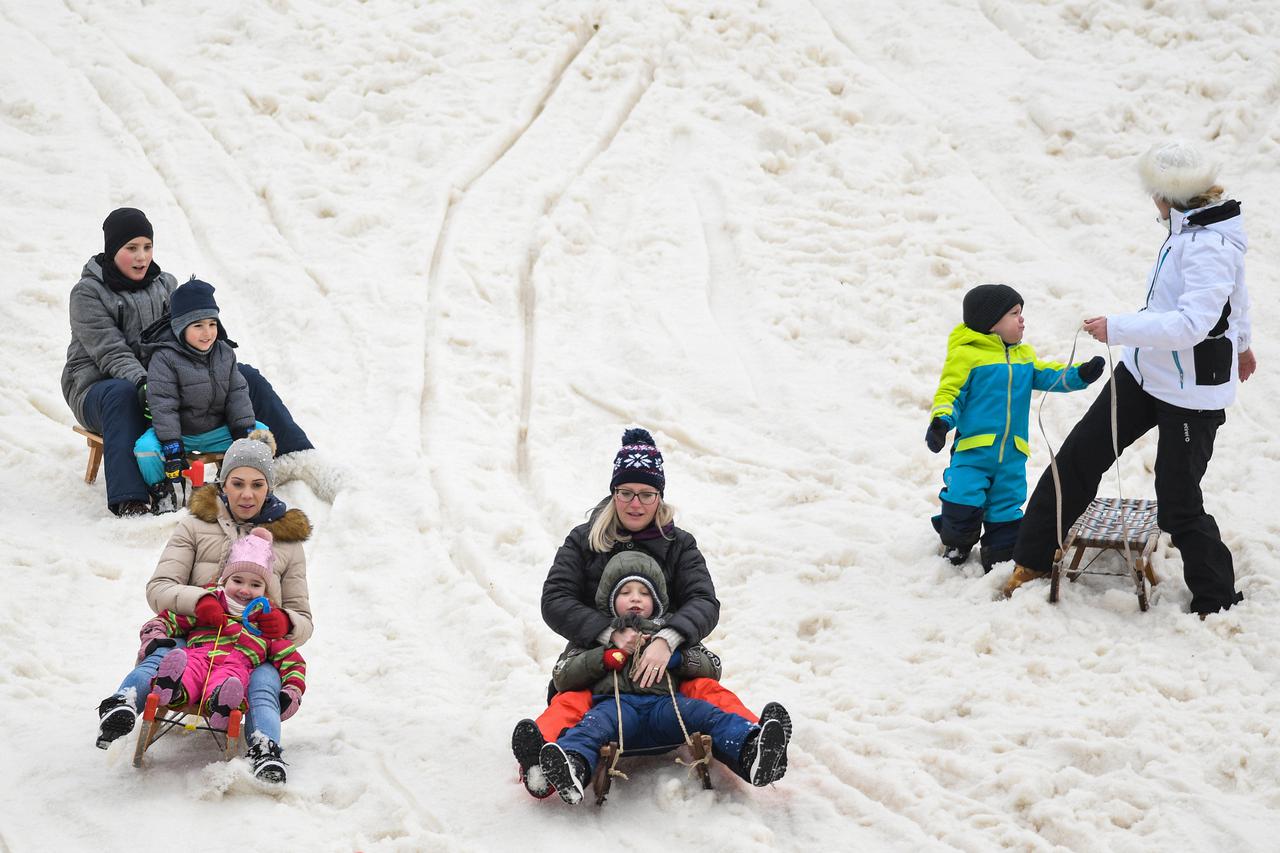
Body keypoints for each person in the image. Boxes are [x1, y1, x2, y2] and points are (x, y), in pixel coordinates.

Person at [1005, 140, 1253, 616]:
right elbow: (1236, 301)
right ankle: (1032, 560)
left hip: (1190, 392)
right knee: (1076, 458)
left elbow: (1192, 324)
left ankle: (1216, 599)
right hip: (1143, 373)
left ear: (1168, 194)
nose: (1151, 201)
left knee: (1178, 501)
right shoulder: (1186, 230)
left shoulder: (1211, 245)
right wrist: (1243, 343)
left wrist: (1116, 328)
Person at [511, 428, 789, 798]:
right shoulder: (584, 540)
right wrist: (608, 634)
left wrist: (667, 639)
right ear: (614, 493)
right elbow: (556, 599)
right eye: (625, 492)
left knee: (707, 693)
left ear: (659, 497)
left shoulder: (679, 544)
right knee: (572, 703)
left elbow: (703, 600)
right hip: (600, 663)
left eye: (646, 494)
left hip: (666, 668)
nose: (635, 503)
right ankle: (542, 766)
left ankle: (757, 746)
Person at [62, 207, 334, 517]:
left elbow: (183, 337)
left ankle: (299, 456)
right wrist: (145, 384)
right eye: (131, 248)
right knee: (123, 394)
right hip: (97, 389)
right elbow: (111, 352)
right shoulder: (88, 293)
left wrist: (215, 367)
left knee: (243, 376)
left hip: (160, 380)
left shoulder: (165, 284)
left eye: (147, 247)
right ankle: (131, 500)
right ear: (112, 250)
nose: (141, 257)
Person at [95, 431, 312, 783]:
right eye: (237, 483)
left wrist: (285, 622)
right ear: (223, 483)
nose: (247, 494)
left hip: (253, 648)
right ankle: (125, 703)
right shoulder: (195, 525)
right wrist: (199, 601)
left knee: (264, 682)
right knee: (163, 656)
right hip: (194, 632)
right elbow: (159, 588)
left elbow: (303, 620)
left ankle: (264, 748)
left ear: (269, 488)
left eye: (257, 485)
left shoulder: (288, 543)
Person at [529, 550, 789, 804]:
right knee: (590, 728)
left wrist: (677, 658)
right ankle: (573, 767)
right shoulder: (596, 635)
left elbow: (711, 666)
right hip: (616, 710)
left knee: (708, 714)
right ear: (609, 599)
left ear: (657, 600)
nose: (635, 598)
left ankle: (749, 749)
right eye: (625, 592)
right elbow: (563, 675)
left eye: (644, 593)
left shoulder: (669, 630)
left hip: (666, 707)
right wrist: (602, 658)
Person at [926, 284, 1104, 572]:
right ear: (991, 321)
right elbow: (950, 394)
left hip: (1012, 454)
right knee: (963, 498)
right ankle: (957, 543)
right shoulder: (967, 356)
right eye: (1014, 313)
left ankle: (999, 555)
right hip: (974, 451)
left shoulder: (1024, 357)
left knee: (1007, 505)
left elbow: (1050, 375)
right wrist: (941, 422)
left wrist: (1080, 374)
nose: (1022, 319)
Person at [141, 528, 306, 755]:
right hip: (198, 654)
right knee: (187, 667)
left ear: (265, 591)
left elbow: (292, 660)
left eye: (255, 585)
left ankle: (221, 705)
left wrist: (292, 690)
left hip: (236, 667)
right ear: (224, 580)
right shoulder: (209, 603)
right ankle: (172, 687)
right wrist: (155, 637)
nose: (245, 590)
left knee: (230, 681)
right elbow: (170, 619)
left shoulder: (265, 623)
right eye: (237, 580)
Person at [132, 278, 268, 512]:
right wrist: (171, 445)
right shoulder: (164, 358)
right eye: (198, 326)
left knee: (262, 436)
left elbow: (237, 394)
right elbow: (163, 404)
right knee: (145, 449)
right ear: (180, 328)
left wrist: (243, 432)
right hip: (180, 433)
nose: (208, 333)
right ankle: (162, 491)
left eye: (212, 324)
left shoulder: (224, 353)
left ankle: (234, 483)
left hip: (216, 429)